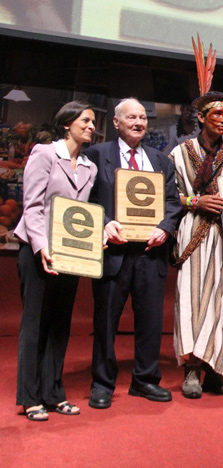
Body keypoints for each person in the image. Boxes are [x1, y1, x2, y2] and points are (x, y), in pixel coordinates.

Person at [85, 97, 181, 409]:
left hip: (151, 255)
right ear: (116, 122)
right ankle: (102, 383)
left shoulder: (160, 161)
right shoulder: (97, 155)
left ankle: (146, 380)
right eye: (131, 118)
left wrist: (165, 228)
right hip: (113, 252)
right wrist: (104, 221)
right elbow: (84, 198)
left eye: (142, 118)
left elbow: (173, 203)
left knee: (151, 322)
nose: (139, 123)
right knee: (106, 322)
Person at [14, 101, 98, 421]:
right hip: (38, 251)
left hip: (70, 253)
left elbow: (83, 215)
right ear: (66, 123)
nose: (91, 126)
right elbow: (32, 206)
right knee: (35, 325)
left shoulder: (90, 167)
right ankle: (30, 397)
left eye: (92, 122)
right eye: (85, 120)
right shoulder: (44, 154)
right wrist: (41, 246)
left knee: (60, 325)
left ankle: (54, 392)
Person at [170, 91, 223, 398]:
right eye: (217, 114)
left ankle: (219, 370)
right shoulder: (180, 154)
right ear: (202, 117)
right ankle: (192, 370)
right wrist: (196, 200)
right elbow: (169, 197)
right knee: (193, 301)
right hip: (193, 233)